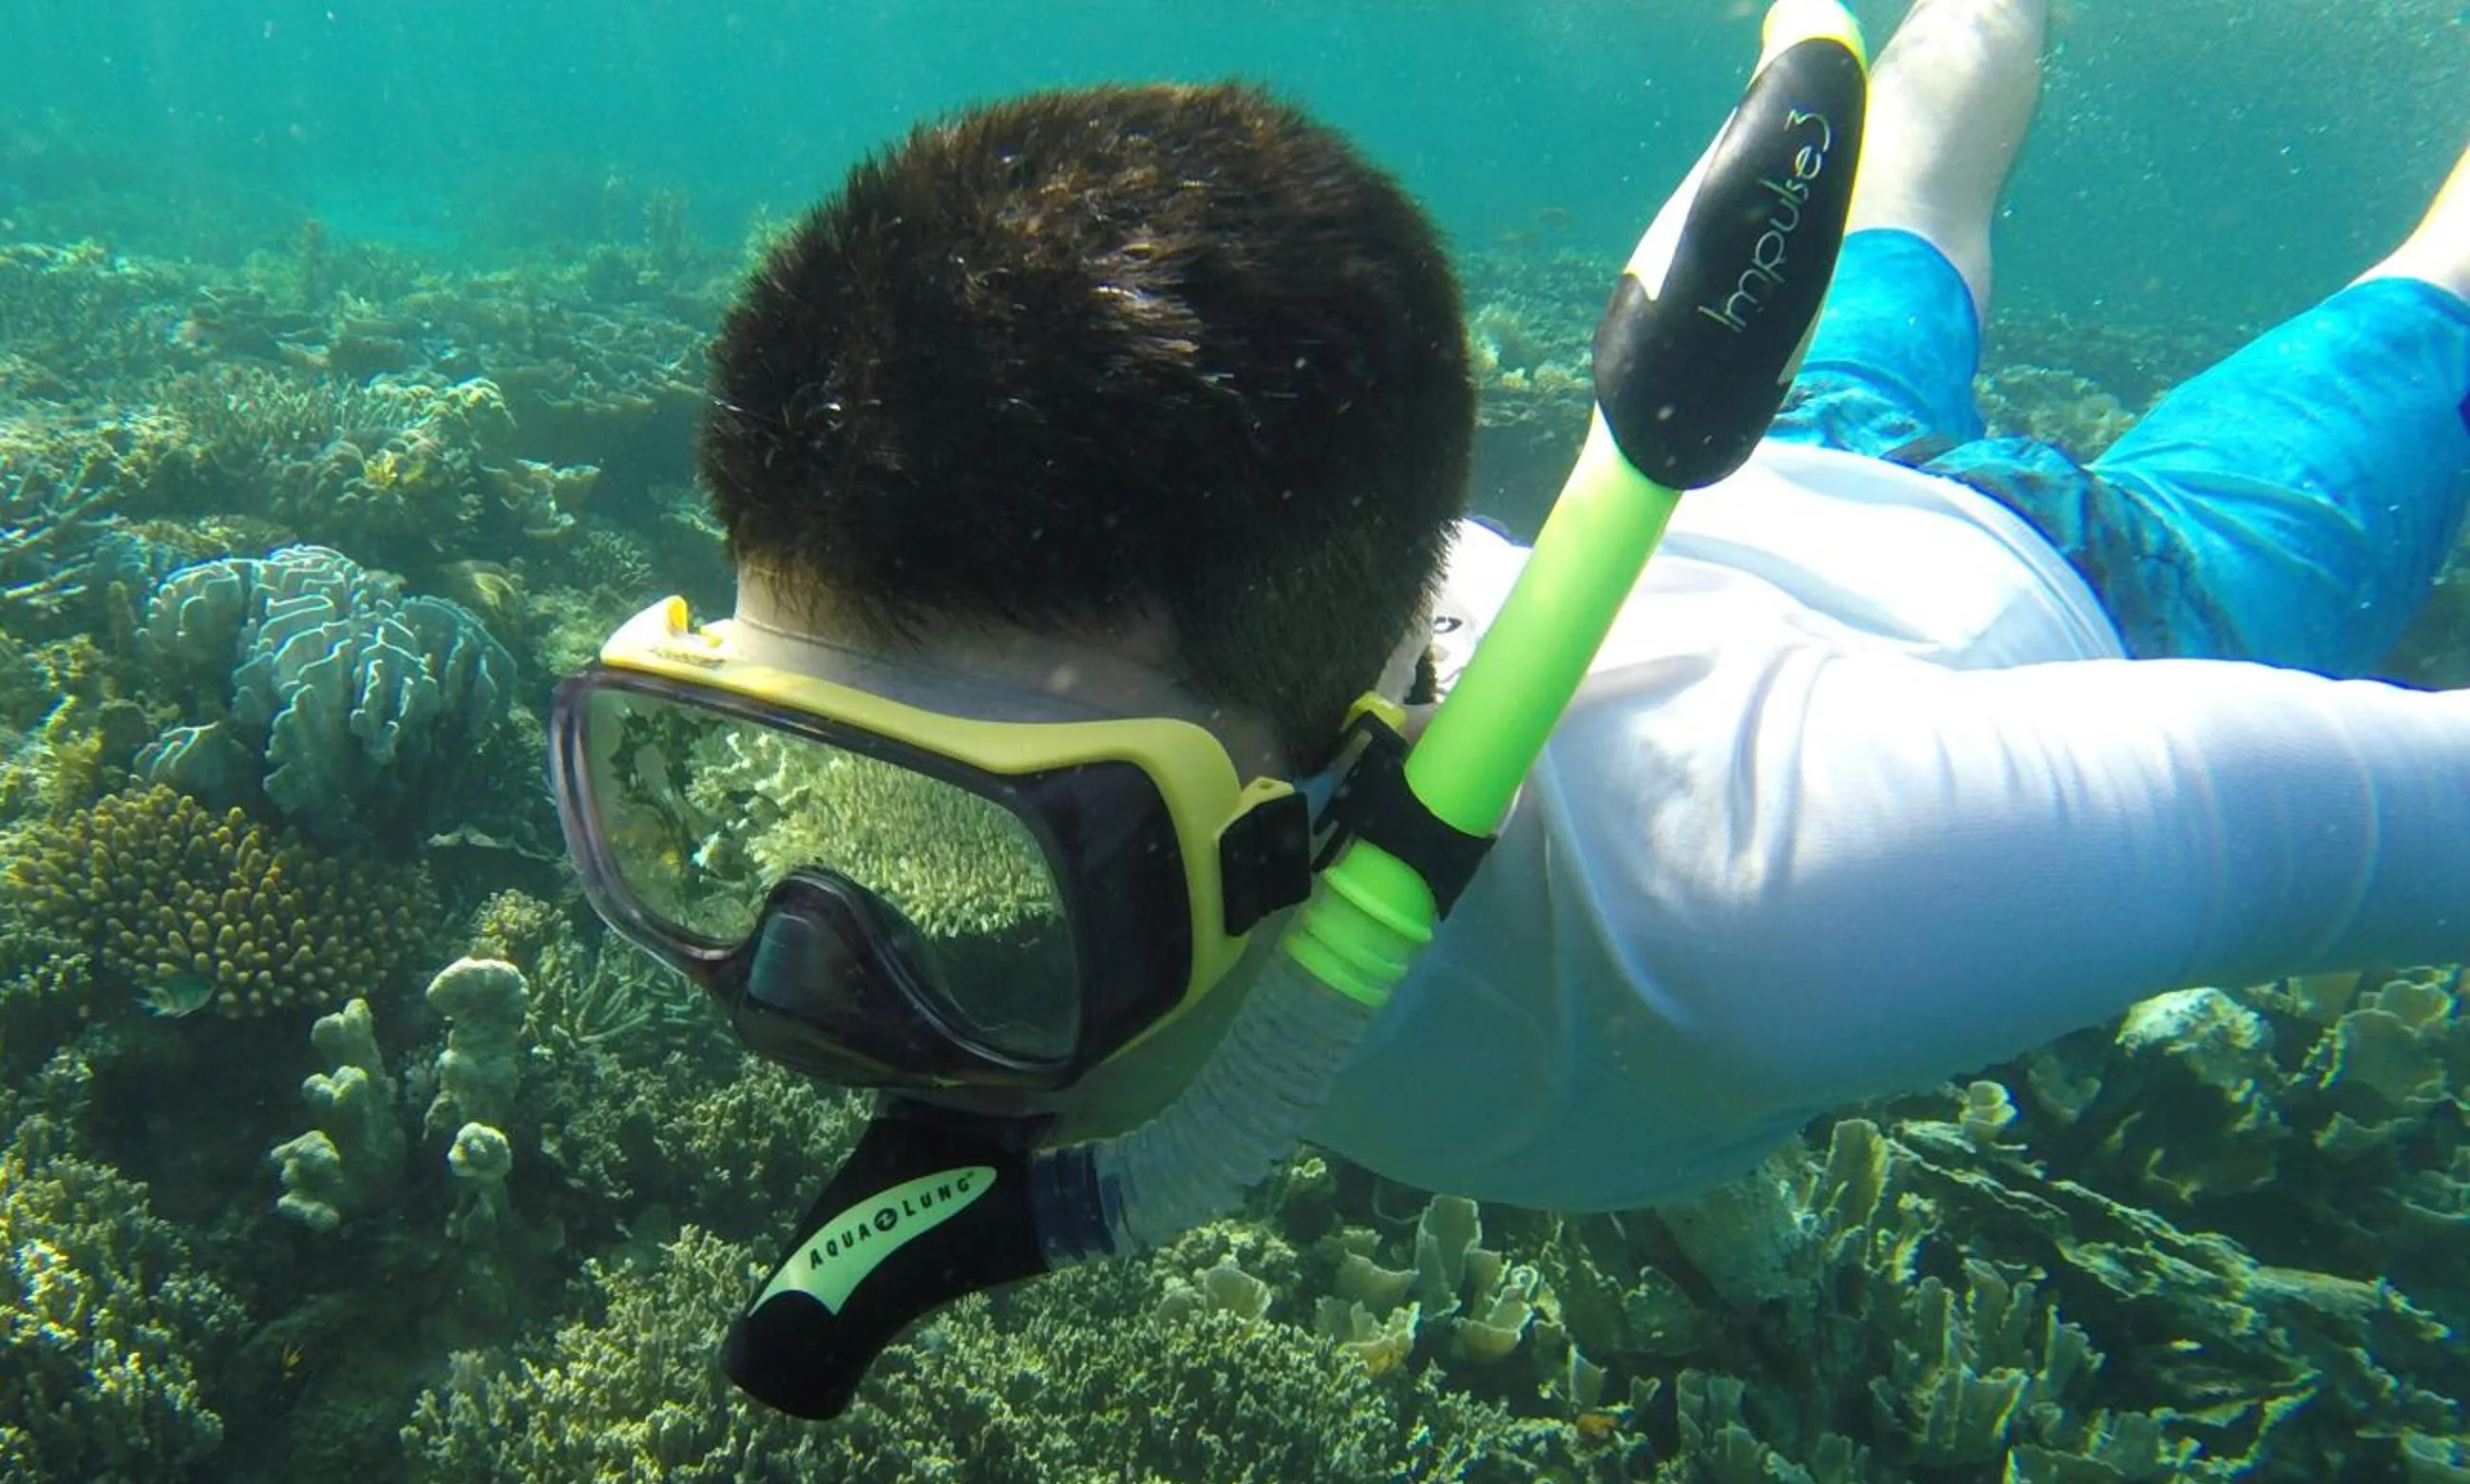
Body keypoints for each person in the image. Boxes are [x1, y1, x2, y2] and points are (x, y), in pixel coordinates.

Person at [555, 0, 2470, 1218]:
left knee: (2437, 297)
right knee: (1935, 115)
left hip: (2088, 591)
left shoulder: (1783, 906)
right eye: (761, 780)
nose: (810, 989)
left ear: (1320, 802)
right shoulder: (1235, 641)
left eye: (984, 852)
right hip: (1777, 452)